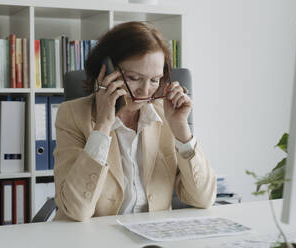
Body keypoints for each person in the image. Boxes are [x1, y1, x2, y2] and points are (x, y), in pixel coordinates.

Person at [53, 21, 216, 222]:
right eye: (134, 77)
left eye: (155, 79)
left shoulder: (166, 116)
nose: (145, 90)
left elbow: (204, 199)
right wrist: (102, 126)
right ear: (105, 70)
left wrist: (182, 130)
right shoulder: (72, 114)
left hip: (152, 237)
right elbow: (76, 210)